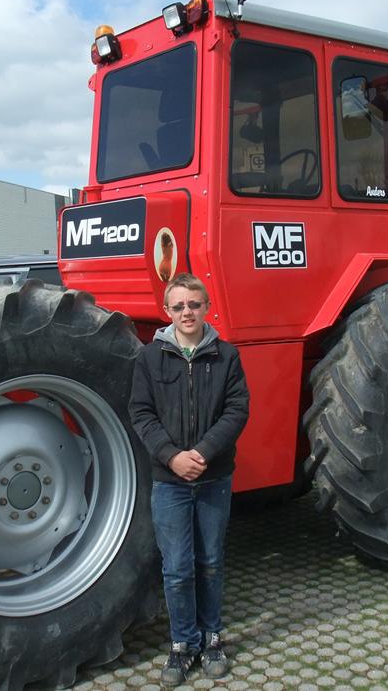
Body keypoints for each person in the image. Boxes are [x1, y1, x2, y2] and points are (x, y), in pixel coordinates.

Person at [129, 273, 250, 687]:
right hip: (170, 481)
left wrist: (203, 453)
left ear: (207, 306)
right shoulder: (149, 358)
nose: (187, 312)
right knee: (177, 568)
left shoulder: (226, 356)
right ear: (168, 311)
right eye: (179, 306)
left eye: (194, 304)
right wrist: (173, 457)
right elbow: (141, 413)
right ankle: (183, 645)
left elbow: (237, 410)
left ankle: (212, 638)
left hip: (213, 477)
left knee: (211, 563)